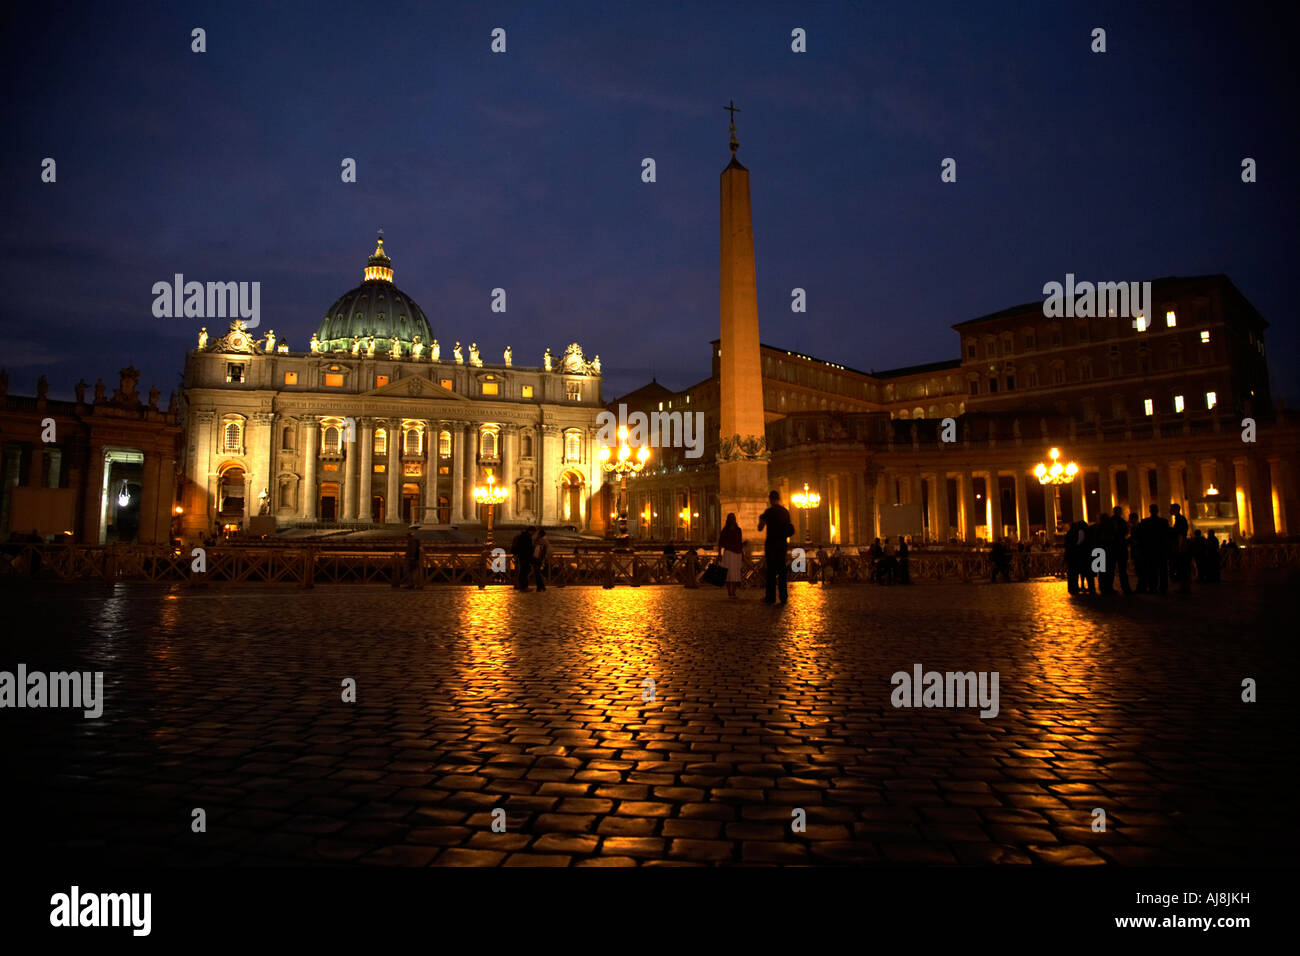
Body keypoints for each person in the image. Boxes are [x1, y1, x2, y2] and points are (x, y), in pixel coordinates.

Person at [757, 490, 794, 604]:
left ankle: (770, 597)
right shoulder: (785, 512)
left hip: (772, 544)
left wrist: (761, 520)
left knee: (771, 572)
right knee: (782, 571)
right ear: (778, 499)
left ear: (770, 499)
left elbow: (760, 528)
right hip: (782, 544)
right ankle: (783, 597)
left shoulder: (769, 512)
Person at [1137, 504, 1169, 594]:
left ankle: (1152, 587)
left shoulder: (1145, 522)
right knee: (1163, 570)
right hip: (1161, 549)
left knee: (1152, 569)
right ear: (1158, 510)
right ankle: (1163, 587)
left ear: (1150, 511)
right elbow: (1167, 536)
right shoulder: (1163, 522)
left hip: (1149, 549)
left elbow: (1141, 536)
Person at [717, 513, 744, 599]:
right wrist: (719, 554)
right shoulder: (725, 530)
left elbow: (739, 542)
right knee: (729, 573)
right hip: (728, 553)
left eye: (734, 518)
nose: (733, 519)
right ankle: (730, 591)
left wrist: (742, 553)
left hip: (737, 553)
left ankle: (734, 591)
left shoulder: (738, 530)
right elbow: (720, 543)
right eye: (731, 518)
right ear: (728, 520)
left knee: (736, 573)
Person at [1109, 507, 1132, 595]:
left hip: (1112, 548)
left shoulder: (1110, 521)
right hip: (1121, 548)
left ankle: (1109, 588)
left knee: (1111, 569)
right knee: (1123, 570)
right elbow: (1126, 532)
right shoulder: (1122, 521)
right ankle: (1125, 588)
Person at [1169, 503, 1190, 593]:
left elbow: (1180, 534)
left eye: (1171, 509)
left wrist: (1179, 547)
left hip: (1180, 545)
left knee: (1182, 566)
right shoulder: (1180, 519)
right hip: (1181, 544)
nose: (1170, 510)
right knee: (1181, 567)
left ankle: (1184, 587)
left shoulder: (1180, 519)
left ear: (1176, 509)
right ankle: (1183, 587)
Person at [511, 526, 535, 590]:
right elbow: (528, 548)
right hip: (525, 556)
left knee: (522, 571)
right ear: (531, 531)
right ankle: (524, 586)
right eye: (533, 532)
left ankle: (520, 585)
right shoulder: (527, 537)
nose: (533, 534)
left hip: (521, 556)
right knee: (525, 571)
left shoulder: (522, 536)